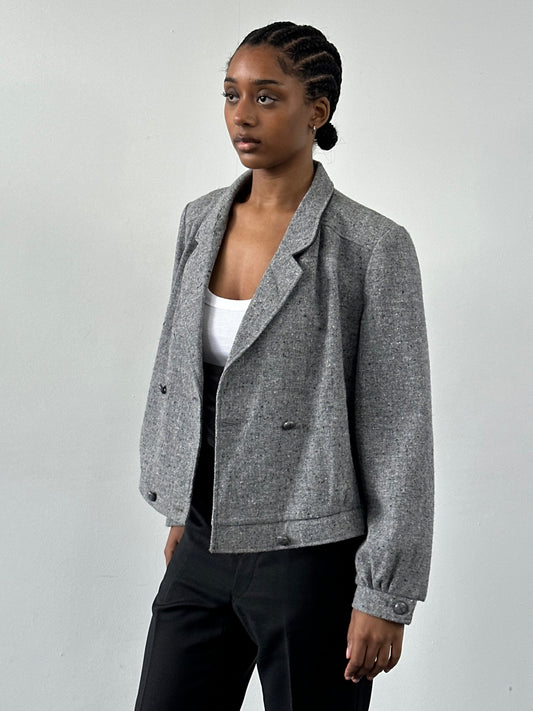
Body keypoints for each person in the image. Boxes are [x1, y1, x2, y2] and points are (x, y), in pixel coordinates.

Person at [134, 21, 433, 711]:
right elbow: (182, 377)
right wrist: (180, 500)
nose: (242, 114)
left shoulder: (371, 246)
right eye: (231, 94)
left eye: (266, 97)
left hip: (311, 556)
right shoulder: (200, 221)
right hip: (203, 540)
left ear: (316, 110)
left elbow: (398, 429)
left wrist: (383, 593)